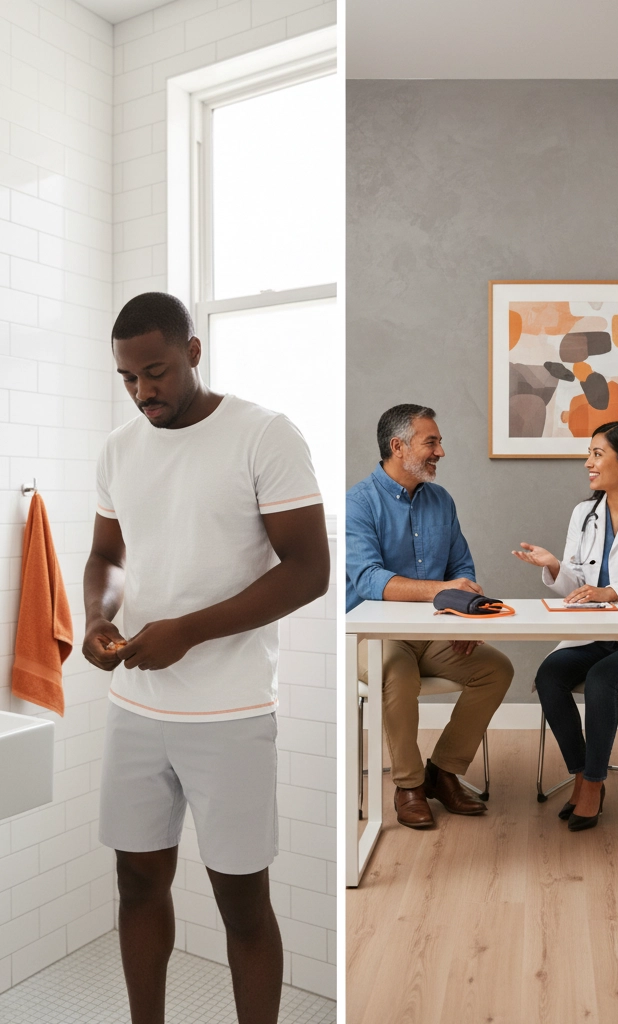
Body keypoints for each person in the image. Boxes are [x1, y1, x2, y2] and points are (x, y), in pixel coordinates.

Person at [83, 293, 330, 1024]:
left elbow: (309, 569)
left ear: (193, 351)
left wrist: (188, 629)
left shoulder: (264, 435)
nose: (142, 392)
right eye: (128, 378)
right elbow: (106, 553)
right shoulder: (118, 450)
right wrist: (99, 616)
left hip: (229, 712)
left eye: (155, 371)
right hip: (136, 708)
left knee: (242, 903)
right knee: (135, 883)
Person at [346, 404, 514, 829]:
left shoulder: (442, 500)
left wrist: (464, 616)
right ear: (397, 446)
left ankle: (443, 772)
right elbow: (369, 580)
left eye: (438, 441)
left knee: (496, 669)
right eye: (431, 442)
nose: (441, 451)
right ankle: (408, 786)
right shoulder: (359, 503)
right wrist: (441, 591)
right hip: (375, 636)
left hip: (435, 632)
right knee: (397, 676)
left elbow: (463, 568)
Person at [514, 420, 618, 831]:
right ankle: (584, 772)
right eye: (589, 453)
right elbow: (576, 586)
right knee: (549, 676)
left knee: (603, 681)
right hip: (593, 631)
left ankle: (591, 786)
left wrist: (612, 592)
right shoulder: (583, 513)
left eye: (597, 454)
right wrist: (554, 565)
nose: (588, 462)